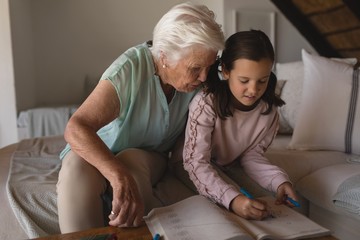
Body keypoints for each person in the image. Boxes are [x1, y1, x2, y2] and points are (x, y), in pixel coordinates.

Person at [56, 2, 224, 233]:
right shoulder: (129, 69)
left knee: (131, 161)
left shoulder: (203, 81)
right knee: (75, 167)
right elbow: (76, 128)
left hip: (148, 157)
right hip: (99, 148)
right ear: (164, 57)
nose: (204, 77)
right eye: (195, 68)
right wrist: (117, 175)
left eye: (210, 66)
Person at [174, 30, 298, 221]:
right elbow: (195, 163)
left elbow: (252, 156)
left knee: (266, 203)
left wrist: (280, 182)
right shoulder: (205, 103)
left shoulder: (268, 111)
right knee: (232, 208)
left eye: (262, 81)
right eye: (244, 80)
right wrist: (233, 200)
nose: (253, 90)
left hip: (229, 165)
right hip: (189, 164)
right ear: (225, 71)